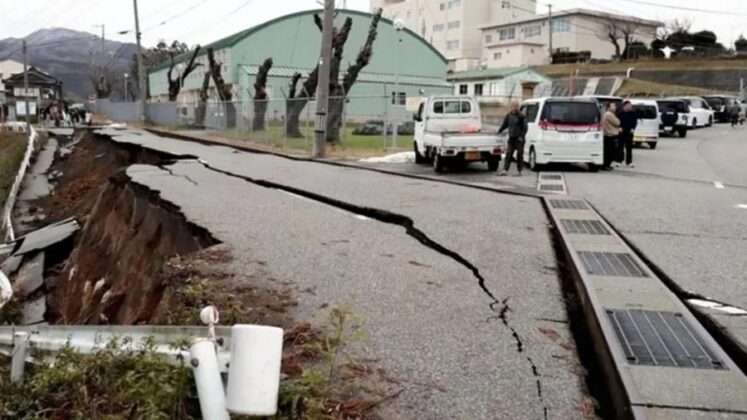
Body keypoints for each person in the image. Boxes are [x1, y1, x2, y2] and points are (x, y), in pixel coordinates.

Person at [497, 103, 528, 177]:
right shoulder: (508, 115)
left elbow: (525, 128)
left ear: (518, 108)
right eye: (513, 107)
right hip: (511, 138)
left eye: (516, 107)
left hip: (519, 139)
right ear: (511, 107)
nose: (514, 108)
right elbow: (504, 125)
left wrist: (521, 136)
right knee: (509, 154)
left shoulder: (521, 116)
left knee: (519, 154)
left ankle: (519, 171)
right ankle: (505, 170)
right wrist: (499, 131)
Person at [618, 101, 638, 168]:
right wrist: (619, 127)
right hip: (621, 132)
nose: (630, 107)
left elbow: (635, 122)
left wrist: (633, 128)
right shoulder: (620, 113)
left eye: (631, 106)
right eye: (629, 105)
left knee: (629, 147)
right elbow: (618, 122)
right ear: (625, 106)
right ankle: (619, 161)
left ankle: (629, 162)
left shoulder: (633, 113)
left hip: (630, 132)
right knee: (620, 147)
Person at [602, 102, 621, 170]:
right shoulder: (609, 114)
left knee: (609, 151)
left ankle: (607, 165)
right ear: (609, 107)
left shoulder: (608, 114)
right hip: (609, 135)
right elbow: (618, 122)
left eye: (615, 106)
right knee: (609, 152)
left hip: (608, 135)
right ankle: (606, 165)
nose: (615, 107)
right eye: (613, 106)